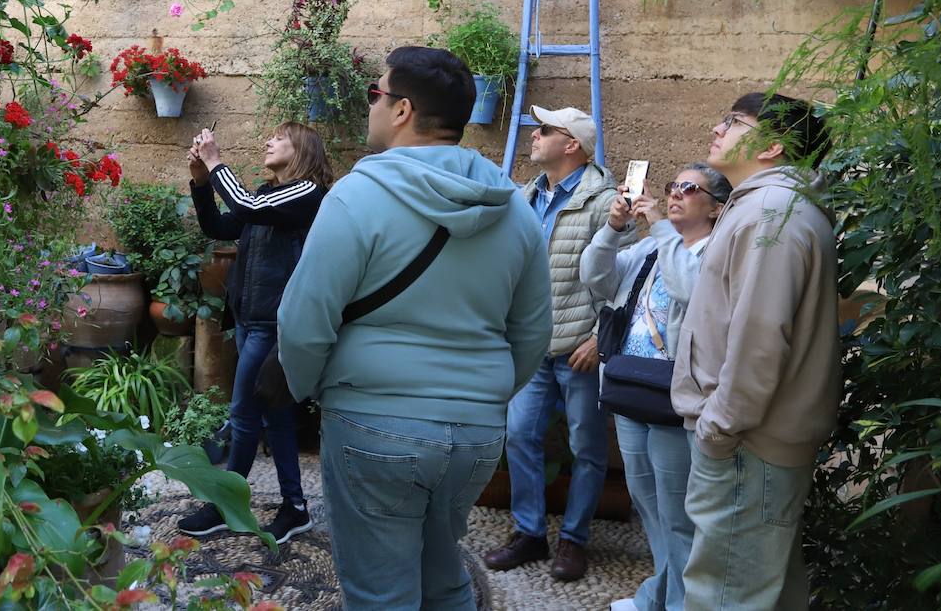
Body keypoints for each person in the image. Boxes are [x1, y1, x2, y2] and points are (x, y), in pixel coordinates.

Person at [276, 46, 552, 611]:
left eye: (375, 94)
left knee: (381, 590)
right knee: (442, 570)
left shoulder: (357, 196)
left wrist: (307, 390)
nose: (370, 105)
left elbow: (303, 322)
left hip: (374, 424)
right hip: (475, 433)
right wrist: (481, 393)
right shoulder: (515, 209)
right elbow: (531, 333)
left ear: (401, 109)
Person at [672, 92, 837, 611]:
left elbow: (760, 338)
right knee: (763, 588)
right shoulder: (770, 207)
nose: (718, 129)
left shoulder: (770, 214)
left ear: (772, 148)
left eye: (735, 122)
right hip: (755, 440)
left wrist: (719, 429)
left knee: (724, 595)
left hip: (748, 442)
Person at [580, 164, 734, 611]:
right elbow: (595, 276)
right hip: (631, 391)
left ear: (716, 207)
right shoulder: (650, 249)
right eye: (672, 186)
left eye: (690, 188)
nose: (675, 194)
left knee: (680, 514)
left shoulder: (716, 253)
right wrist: (612, 228)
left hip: (676, 402)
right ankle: (660, 596)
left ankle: (679, 604)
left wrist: (662, 229)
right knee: (648, 505)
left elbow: (690, 288)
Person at [177, 121, 331, 545]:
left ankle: (225, 504)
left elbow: (243, 206)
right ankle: (295, 508)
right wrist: (201, 182)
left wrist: (215, 161)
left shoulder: (307, 194)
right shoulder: (265, 196)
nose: (268, 142)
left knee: (243, 415)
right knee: (274, 417)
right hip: (249, 320)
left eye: (278, 138)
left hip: (275, 327)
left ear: (301, 150)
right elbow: (221, 227)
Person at [484, 104, 616, 582]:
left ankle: (574, 540)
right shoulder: (525, 196)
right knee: (519, 435)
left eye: (544, 130)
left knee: (587, 447)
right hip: (531, 346)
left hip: (580, 348)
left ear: (572, 145)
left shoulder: (604, 201)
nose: (532, 135)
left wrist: (601, 339)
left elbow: (625, 279)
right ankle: (530, 533)